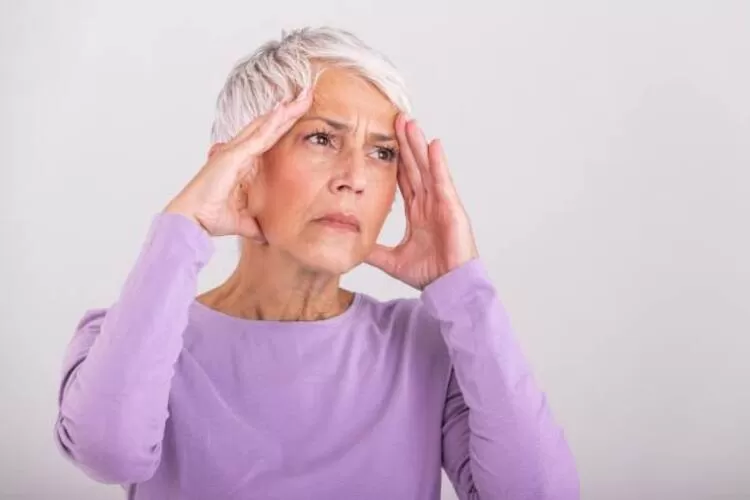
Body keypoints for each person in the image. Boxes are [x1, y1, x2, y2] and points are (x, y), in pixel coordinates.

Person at [54, 27, 579, 500]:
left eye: (382, 153)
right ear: (240, 167)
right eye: (322, 138)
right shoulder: (130, 341)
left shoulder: (427, 346)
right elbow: (108, 452)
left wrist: (462, 287)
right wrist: (182, 228)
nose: (356, 178)